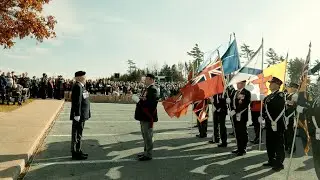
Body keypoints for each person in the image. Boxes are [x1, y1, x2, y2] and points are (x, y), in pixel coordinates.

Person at [261, 77, 286, 171]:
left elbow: (278, 109)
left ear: (277, 85)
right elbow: (265, 110)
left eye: (271, 83)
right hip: (269, 123)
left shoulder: (280, 95)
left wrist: (273, 120)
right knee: (270, 143)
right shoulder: (269, 96)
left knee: (278, 144)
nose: (270, 85)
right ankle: (271, 160)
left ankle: (279, 163)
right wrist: (262, 116)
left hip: (277, 123)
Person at [134, 74, 159, 161]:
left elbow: (151, 104)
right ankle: (145, 152)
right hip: (143, 115)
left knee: (148, 136)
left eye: (147, 79)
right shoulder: (147, 89)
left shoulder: (153, 89)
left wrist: (139, 101)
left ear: (152, 80)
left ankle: (148, 154)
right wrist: (138, 98)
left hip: (148, 116)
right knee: (145, 136)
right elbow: (144, 98)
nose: (145, 80)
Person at [69, 71, 91, 160]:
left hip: (82, 114)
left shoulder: (81, 86)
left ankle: (78, 150)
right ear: (79, 77)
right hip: (79, 115)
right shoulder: (78, 86)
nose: (85, 78)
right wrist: (77, 114)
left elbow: (84, 98)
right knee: (77, 134)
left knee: (79, 134)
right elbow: (77, 102)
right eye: (84, 77)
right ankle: (75, 152)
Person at [227, 80, 251, 156]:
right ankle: (239, 147)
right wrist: (228, 102)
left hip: (242, 115)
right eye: (237, 83)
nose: (237, 84)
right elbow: (232, 101)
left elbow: (244, 104)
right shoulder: (235, 92)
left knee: (242, 132)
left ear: (243, 84)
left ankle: (243, 148)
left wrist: (236, 111)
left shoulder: (246, 92)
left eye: (239, 83)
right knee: (237, 132)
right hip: (234, 115)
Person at [284, 82, 298, 153]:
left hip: (291, 116)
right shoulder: (287, 94)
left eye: (289, 87)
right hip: (286, 115)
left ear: (293, 88)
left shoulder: (295, 95)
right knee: (286, 132)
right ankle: (286, 145)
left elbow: (293, 104)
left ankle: (291, 147)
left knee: (290, 132)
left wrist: (285, 102)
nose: (288, 88)